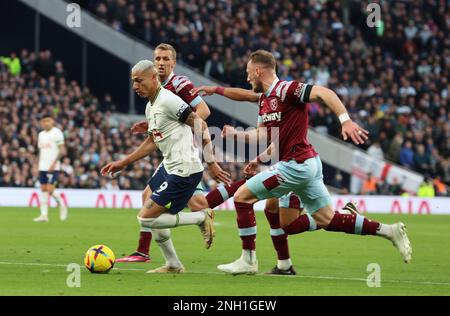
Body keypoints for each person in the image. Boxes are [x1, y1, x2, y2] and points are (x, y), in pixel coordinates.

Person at [195, 50, 412, 274]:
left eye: (249, 73)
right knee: (325, 219)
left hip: (295, 165)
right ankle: (388, 230)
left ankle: (249, 260)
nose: (247, 78)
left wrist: (345, 121)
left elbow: (325, 93)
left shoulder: (287, 89)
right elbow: (263, 135)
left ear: (258, 71)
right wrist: (238, 138)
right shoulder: (265, 101)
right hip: (305, 165)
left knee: (242, 197)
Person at [121, 43, 302, 275]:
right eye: (157, 58)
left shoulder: (179, 85)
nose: (161, 62)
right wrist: (155, 125)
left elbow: (202, 115)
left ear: (173, 63)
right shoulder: (154, 94)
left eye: (166, 59)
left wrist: (192, 132)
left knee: (184, 204)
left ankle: (150, 252)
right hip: (173, 155)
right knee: (189, 202)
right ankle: (159, 257)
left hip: (186, 152)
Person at [101, 60, 230, 273]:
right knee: (146, 197)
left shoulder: (169, 101)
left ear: (154, 79)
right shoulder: (150, 106)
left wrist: (212, 163)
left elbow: (201, 124)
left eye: (139, 81)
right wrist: (123, 162)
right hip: (169, 165)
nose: (135, 86)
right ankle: (173, 264)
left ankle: (200, 216)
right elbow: (152, 141)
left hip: (184, 169)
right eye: (133, 82)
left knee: (146, 218)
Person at [34, 114, 68, 222]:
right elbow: (40, 151)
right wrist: (37, 165)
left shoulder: (57, 132)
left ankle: (62, 205)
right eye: (43, 121)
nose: (45, 123)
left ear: (52, 122)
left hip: (53, 166)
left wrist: (54, 164)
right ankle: (44, 215)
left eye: (47, 121)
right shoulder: (41, 135)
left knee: (50, 189)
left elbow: (62, 150)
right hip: (42, 166)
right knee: (43, 189)